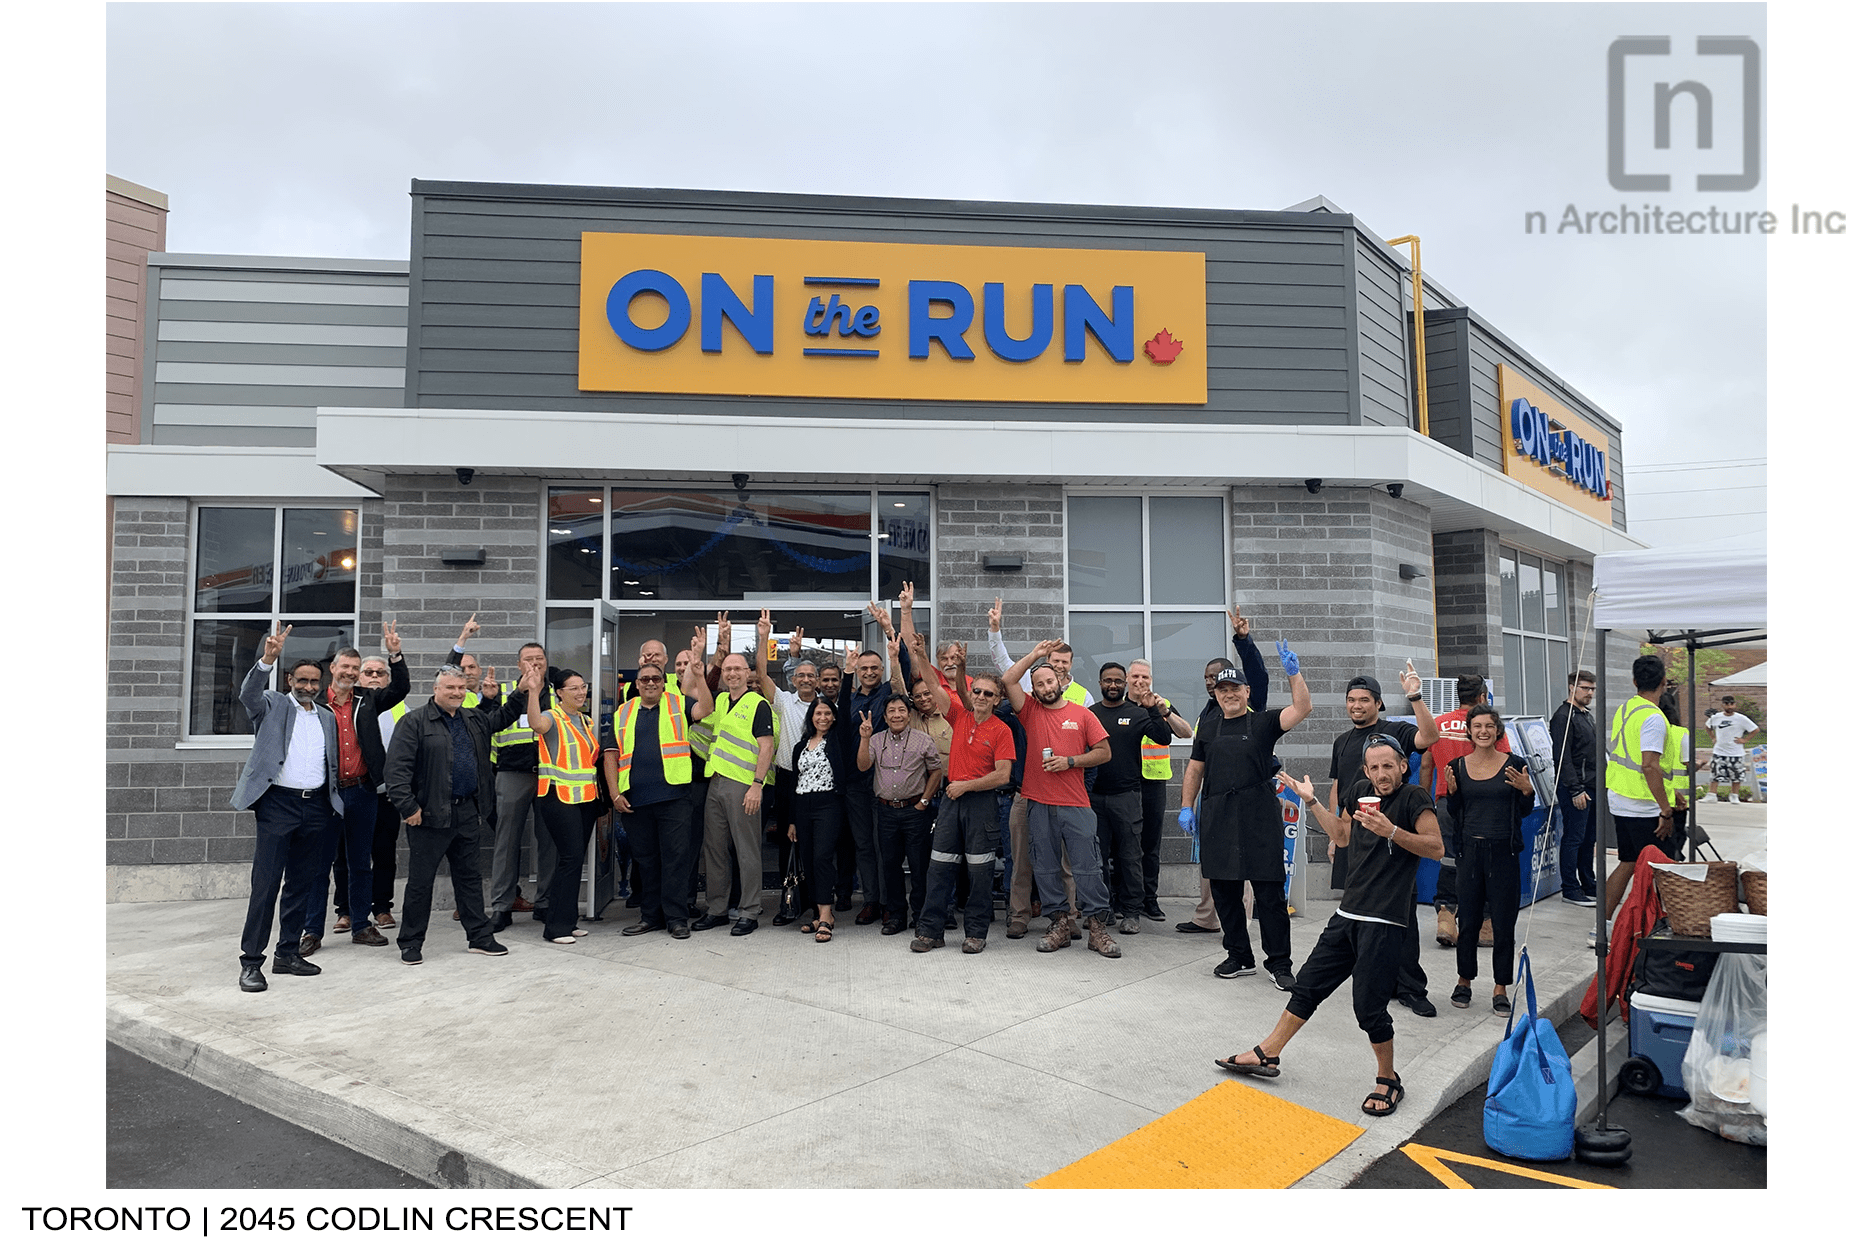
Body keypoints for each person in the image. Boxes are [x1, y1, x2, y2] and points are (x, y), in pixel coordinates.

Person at [1218, 740, 1442, 1119]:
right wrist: (1311, 802)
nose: (1382, 774)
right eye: (1374, 768)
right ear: (1366, 771)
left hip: (1385, 922)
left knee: (1368, 1009)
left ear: (1403, 766)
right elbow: (1341, 836)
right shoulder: (1358, 792)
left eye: (1389, 766)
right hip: (1347, 914)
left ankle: (1388, 1080)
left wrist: (1392, 831)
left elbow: (1435, 847)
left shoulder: (1414, 798)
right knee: (1308, 986)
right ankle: (1268, 1053)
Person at [1178, 645, 1312, 989]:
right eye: (1223, 690)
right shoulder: (1207, 727)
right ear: (1217, 695)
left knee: (1269, 895)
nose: (1229, 695)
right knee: (1225, 892)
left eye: (1235, 688)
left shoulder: (1264, 722)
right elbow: (1195, 769)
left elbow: (1302, 708)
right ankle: (1239, 956)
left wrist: (1293, 673)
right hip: (1219, 818)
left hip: (1259, 818)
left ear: (1246, 692)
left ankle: (1279, 963)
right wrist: (1186, 806)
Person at [381, 647, 524, 966]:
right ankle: (411, 942)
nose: (457, 693)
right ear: (436, 689)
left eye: (461, 688)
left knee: (470, 879)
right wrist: (409, 808)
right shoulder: (414, 722)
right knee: (420, 884)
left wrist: (517, 693)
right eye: (450, 688)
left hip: (466, 812)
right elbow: (396, 770)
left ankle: (480, 937)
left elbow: (499, 719)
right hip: (428, 815)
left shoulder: (473, 717)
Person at [230, 626, 347, 992]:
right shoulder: (273, 704)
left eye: (315, 681)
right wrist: (266, 659)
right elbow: (247, 694)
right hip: (278, 806)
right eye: (302, 680)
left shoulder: (326, 716)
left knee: (302, 884)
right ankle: (251, 962)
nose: (309, 686)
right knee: (265, 886)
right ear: (289, 679)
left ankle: (287, 953)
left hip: (316, 808)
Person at [1324, 664, 1439, 1017]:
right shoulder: (1343, 742)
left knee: (1402, 916)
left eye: (1364, 700)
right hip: (1356, 840)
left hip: (1394, 841)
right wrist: (1335, 835)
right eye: (1351, 700)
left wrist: (1415, 696)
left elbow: (1430, 738)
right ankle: (1378, 980)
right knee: (1359, 913)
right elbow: (1339, 788)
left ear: (1378, 703)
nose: (1356, 706)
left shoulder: (1393, 732)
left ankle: (1411, 987)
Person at [1003, 639, 1119, 957]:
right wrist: (1036, 656)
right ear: (1035, 688)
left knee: (1088, 868)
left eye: (1049, 680)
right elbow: (1008, 680)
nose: (1045, 687)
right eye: (1039, 684)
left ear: (1060, 681)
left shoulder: (1082, 715)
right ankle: (1059, 925)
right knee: (1045, 867)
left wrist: (1070, 761)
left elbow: (1104, 752)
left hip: (1076, 803)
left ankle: (1097, 928)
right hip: (1038, 802)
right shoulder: (1029, 712)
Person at [300, 625, 409, 953]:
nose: (349, 672)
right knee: (320, 866)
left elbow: (400, 688)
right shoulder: (315, 702)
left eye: (354, 668)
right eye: (344, 667)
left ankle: (361, 925)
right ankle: (311, 930)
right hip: (326, 794)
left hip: (362, 791)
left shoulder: (369, 699)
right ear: (332, 669)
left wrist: (395, 655)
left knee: (361, 861)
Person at [907, 637, 1015, 953]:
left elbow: (1003, 775)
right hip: (952, 804)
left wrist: (965, 785)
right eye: (977, 691)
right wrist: (923, 655)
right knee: (939, 866)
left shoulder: (1001, 730)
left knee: (980, 871)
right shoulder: (958, 714)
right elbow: (931, 682)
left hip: (980, 804)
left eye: (988, 693)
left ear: (998, 699)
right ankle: (930, 931)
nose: (980, 696)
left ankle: (976, 933)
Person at [1177, 608, 1272, 935]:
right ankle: (1206, 917)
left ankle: (1240, 925)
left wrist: (1243, 641)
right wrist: (1188, 804)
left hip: (1244, 797)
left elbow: (1259, 676)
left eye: (1215, 677)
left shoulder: (1248, 705)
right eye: (1207, 680)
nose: (1211, 684)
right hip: (1212, 795)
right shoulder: (1210, 710)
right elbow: (1197, 760)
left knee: (1238, 860)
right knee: (1212, 856)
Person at [604, 662, 712, 938]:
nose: (650, 683)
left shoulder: (678, 703)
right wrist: (615, 793)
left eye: (656, 679)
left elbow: (705, 710)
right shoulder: (623, 712)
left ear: (664, 682)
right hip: (635, 800)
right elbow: (611, 755)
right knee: (647, 861)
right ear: (636, 684)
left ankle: (676, 919)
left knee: (675, 859)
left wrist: (700, 677)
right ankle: (650, 916)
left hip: (674, 797)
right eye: (645, 679)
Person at [1440, 705, 1535, 1015]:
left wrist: (1527, 792)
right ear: (1469, 730)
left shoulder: (1514, 765)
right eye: (1477, 725)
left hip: (1504, 854)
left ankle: (1500, 987)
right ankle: (1464, 981)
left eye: (1488, 726)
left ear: (1498, 731)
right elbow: (1455, 813)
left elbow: (1522, 811)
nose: (1482, 731)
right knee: (1467, 921)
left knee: (1504, 923)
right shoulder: (1457, 766)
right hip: (1470, 853)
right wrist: (1452, 795)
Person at [685, 641, 776, 935]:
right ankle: (717, 909)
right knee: (714, 851)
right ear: (722, 673)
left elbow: (767, 747)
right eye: (728, 669)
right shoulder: (720, 701)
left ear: (747, 672)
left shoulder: (758, 704)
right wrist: (699, 666)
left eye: (738, 668)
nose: (733, 673)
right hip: (716, 783)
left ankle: (749, 911)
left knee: (746, 850)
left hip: (743, 785)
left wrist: (756, 786)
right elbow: (689, 696)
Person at [1089, 662, 1174, 935]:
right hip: (1095, 797)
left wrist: (1152, 709)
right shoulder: (1090, 714)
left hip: (1127, 796)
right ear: (1100, 683)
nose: (1112, 685)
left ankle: (1132, 912)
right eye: (1107, 680)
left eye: (1117, 680)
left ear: (1124, 683)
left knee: (1130, 856)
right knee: (1098, 857)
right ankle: (1103, 909)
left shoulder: (1136, 713)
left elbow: (1163, 737)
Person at [1422, 673, 1505, 949]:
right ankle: (1485, 921)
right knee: (1484, 860)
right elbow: (1505, 764)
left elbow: (1425, 766)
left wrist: (1425, 804)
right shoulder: (1488, 725)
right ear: (1482, 697)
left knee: (1449, 858)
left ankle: (1446, 916)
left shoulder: (1438, 724)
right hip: (1483, 804)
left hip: (1446, 802)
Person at [525, 666, 602, 944]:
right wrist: (534, 692)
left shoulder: (585, 720)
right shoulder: (552, 717)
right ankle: (555, 927)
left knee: (573, 861)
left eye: (583, 687)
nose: (581, 692)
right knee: (569, 860)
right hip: (558, 797)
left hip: (584, 799)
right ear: (559, 693)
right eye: (574, 688)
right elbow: (536, 724)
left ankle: (568, 921)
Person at [858, 690, 944, 936]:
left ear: (909, 714)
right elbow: (863, 766)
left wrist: (925, 801)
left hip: (916, 811)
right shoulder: (875, 739)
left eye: (901, 710)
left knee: (919, 867)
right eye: (891, 711)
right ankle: (896, 915)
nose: (897, 715)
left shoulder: (923, 740)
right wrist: (864, 738)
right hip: (886, 811)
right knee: (890, 866)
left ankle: (920, 916)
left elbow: (936, 771)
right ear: (885, 717)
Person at [753, 613, 821, 925]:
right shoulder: (782, 701)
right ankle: (788, 903)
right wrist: (763, 638)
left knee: (814, 842)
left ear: (817, 681)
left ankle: (816, 902)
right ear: (793, 680)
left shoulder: (824, 709)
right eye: (801, 675)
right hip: (788, 779)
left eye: (811, 675)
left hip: (818, 781)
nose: (806, 679)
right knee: (786, 843)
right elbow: (762, 674)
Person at [488, 642, 556, 931]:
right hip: (512, 773)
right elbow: (489, 725)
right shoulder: (503, 693)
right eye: (528, 660)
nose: (534, 664)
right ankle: (502, 907)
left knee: (549, 841)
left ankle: (545, 903)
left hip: (549, 773)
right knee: (506, 842)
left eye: (539, 659)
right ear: (518, 665)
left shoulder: (557, 693)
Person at [1605, 654, 1675, 920]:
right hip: (1643, 805)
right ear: (1664, 682)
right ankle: (1662, 926)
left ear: (1634, 681)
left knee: (1628, 862)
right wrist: (1665, 810)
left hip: (1621, 798)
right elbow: (1649, 765)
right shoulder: (1654, 718)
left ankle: (1602, 926)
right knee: (1664, 869)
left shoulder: (1625, 709)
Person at [1128, 659, 1191, 923]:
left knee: (1150, 845)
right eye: (1135, 677)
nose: (1140, 681)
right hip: (1127, 783)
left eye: (1145, 677)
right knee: (1125, 844)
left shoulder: (1161, 703)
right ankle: (1125, 899)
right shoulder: (1119, 705)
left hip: (1154, 783)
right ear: (1128, 679)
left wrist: (1164, 712)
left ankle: (1149, 900)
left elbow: (1186, 732)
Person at [788, 696, 849, 943]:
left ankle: (826, 916)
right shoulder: (800, 746)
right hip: (803, 806)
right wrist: (792, 819)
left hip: (828, 805)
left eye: (827, 714)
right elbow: (795, 782)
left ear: (833, 717)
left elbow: (844, 709)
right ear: (811, 717)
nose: (822, 718)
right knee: (809, 860)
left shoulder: (836, 740)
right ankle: (818, 913)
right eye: (818, 714)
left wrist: (849, 673)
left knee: (823, 857)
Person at [357, 653, 408, 929]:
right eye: (369, 672)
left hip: (387, 796)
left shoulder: (401, 708)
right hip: (355, 792)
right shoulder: (349, 706)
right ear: (359, 677)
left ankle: (382, 908)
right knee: (349, 856)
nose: (375, 677)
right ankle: (348, 910)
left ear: (388, 678)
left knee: (385, 854)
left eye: (380, 672)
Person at [1549, 670, 1599, 907]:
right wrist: (1576, 789)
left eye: (1592, 689)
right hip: (1575, 788)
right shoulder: (1563, 717)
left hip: (1592, 785)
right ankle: (1570, 887)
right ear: (1572, 688)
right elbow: (1562, 757)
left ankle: (1589, 883)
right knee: (1574, 838)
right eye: (1584, 688)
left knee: (1589, 839)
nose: (1589, 693)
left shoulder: (1585, 715)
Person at [987, 603, 1090, 706]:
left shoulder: (1083, 695)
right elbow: (1002, 661)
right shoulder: (1028, 677)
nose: (1060, 666)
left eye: (1064, 662)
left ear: (1071, 664)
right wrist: (994, 628)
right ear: (1047, 661)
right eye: (1056, 661)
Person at [1703, 695, 1760, 803]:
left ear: (1735, 705)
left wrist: (1745, 740)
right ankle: (1712, 794)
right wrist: (1713, 737)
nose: (1729, 706)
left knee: (1737, 775)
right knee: (1715, 774)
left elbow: (1755, 729)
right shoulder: (1716, 717)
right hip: (1719, 751)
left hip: (1736, 752)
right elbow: (1707, 727)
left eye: (1731, 704)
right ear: (1722, 705)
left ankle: (1734, 795)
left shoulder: (1741, 718)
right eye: (1727, 704)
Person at [1660, 694, 1692, 861]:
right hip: (1678, 795)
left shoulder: (1649, 728)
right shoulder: (1680, 733)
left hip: (1655, 792)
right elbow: (1687, 762)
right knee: (1677, 833)